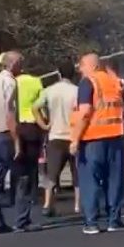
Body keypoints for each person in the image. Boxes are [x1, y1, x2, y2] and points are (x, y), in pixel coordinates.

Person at [70, 53, 124, 235]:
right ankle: (114, 220)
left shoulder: (89, 82)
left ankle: (91, 222)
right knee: (114, 181)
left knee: (90, 182)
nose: (80, 69)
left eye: (81, 65)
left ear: (91, 66)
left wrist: (74, 139)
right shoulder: (115, 82)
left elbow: (85, 112)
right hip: (116, 138)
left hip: (92, 140)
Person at [0, 50, 38, 233]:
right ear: (13, 64)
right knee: (23, 176)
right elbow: (10, 113)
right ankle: (22, 220)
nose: (21, 67)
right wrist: (16, 141)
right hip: (6, 135)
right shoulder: (10, 82)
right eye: (20, 63)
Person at [32, 61, 80, 217]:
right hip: (73, 136)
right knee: (77, 174)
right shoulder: (77, 91)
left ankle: (48, 203)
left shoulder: (49, 90)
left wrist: (43, 124)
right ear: (73, 74)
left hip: (55, 136)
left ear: (59, 74)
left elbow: (35, 107)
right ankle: (78, 206)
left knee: (52, 174)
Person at [14, 69, 44, 217]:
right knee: (33, 163)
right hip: (32, 124)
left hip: (18, 123)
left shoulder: (13, 82)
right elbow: (41, 103)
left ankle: (16, 192)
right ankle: (32, 193)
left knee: (18, 161)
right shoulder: (36, 81)